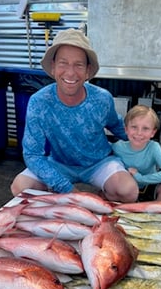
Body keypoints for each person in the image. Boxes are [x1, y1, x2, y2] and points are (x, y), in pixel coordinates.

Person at [10, 28, 139, 202]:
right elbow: (32, 154)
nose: (70, 72)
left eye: (78, 65)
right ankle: (59, 209)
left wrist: (146, 150)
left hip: (99, 163)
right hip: (59, 164)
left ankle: (104, 199)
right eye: (63, 63)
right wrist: (66, 188)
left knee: (128, 191)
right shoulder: (39, 102)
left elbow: (118, 128)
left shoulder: (102, 98)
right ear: (53, 67)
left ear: (88, 70)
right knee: (20, 187)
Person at [112, 105, 161, 201]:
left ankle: (157, 213)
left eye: (145, 128)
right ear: (126, 129)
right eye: (134, 127)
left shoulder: (153, 147)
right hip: (126, 189)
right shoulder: (117, 147)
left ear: (153, 132)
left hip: (149, 186)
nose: (139, 133)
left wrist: (141, 178)